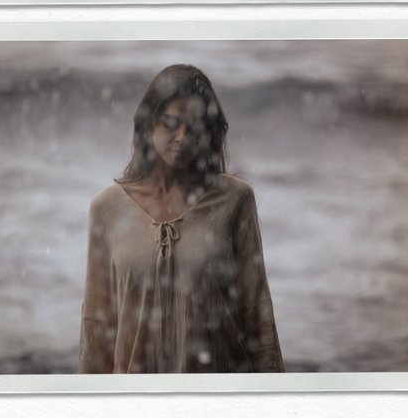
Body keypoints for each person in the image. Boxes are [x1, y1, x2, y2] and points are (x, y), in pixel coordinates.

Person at [79, 64, 283, 374]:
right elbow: (96, 325)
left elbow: (257, 315)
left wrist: (274, 394)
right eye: (170, 124)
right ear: (148, 125)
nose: (182, 137)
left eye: (194, 127)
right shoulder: (107, 209)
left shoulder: (234, 200)